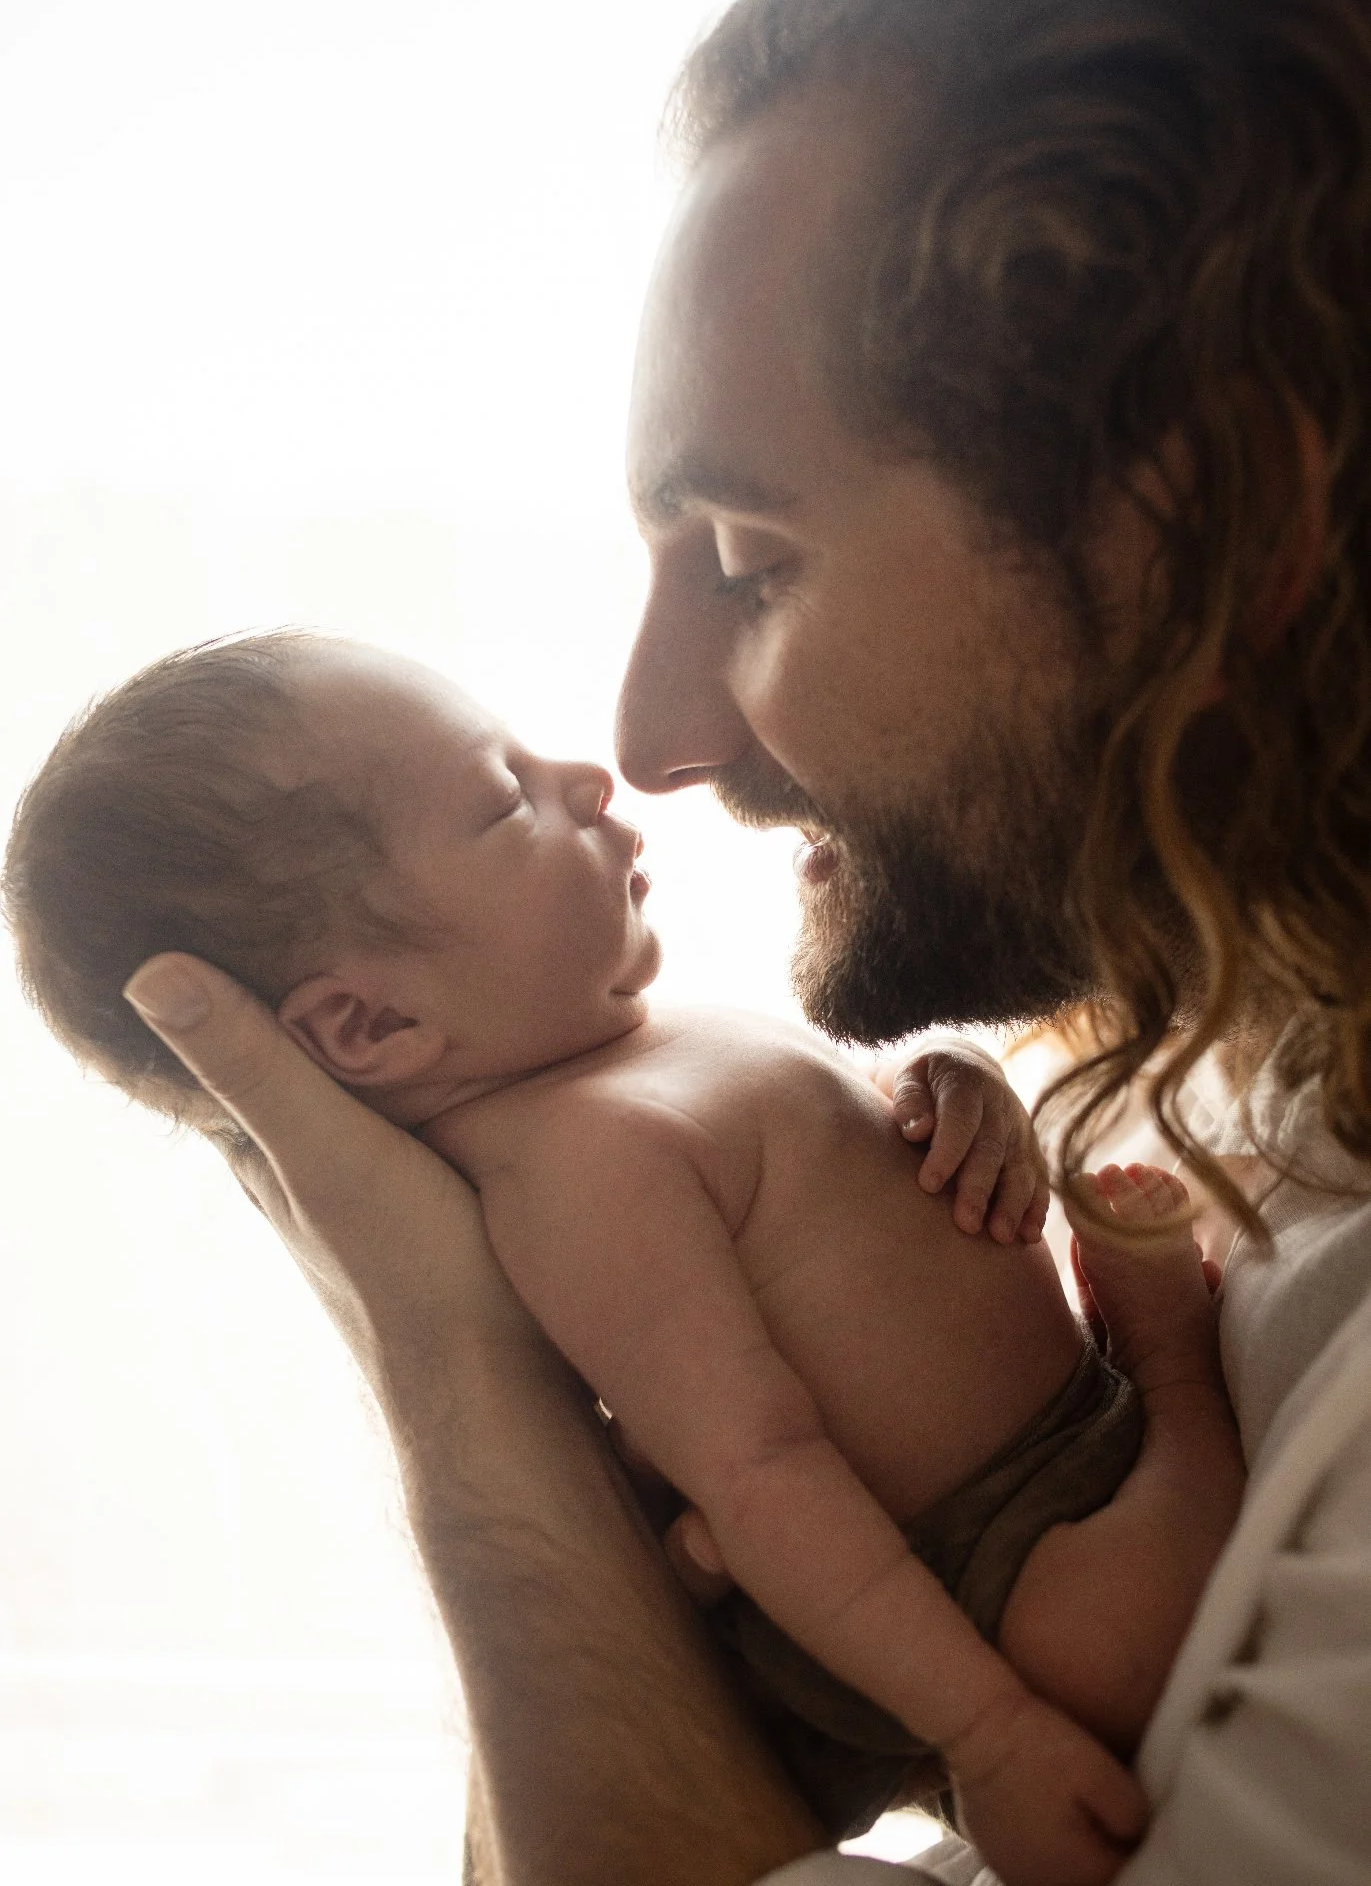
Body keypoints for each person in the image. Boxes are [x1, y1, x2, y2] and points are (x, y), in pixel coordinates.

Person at [95, 0, 1371, 1878]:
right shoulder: (1187, 1079)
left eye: (755, 562)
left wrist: (466, 1406)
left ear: (1226, 530)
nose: (651, 738)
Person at [5, 630, 1245, 1884]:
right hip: (988, 1556)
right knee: (1113, 1654)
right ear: (368, 1022)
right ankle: (1179, 1375)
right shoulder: (578, 1176)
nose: (589, 778)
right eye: (503, 800)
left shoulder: (645, 1051)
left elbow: (847, 1170)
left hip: (1058, 1430)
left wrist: (956, 1084)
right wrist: (988, 1728)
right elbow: (761, 1474)